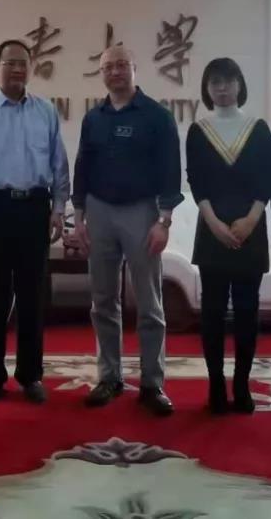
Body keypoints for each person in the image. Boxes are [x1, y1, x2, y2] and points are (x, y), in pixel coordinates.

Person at [72, 45, 182, 416]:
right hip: (99, 211)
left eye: (122, 65)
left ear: (134, 69)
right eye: (108, 67)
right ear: (102, 73)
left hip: (142, 212)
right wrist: (79, 216)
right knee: (103, 300)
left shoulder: (156, 116)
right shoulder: (94, 118)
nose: (115, 72)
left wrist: (164, 221)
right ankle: (109, 377)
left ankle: (152, 383)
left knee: (149, 302)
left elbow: (170, 169)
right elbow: (82, 166)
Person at [0, 39, 70, 405]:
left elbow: (59, 165)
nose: (18, 69)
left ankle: (30, 375)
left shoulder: (45, 111)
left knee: (33, 296)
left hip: (34, 208)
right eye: (10, 63)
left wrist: (58, 209)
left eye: (23, 62)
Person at [185, 58, 271, 415]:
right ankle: (216, 385)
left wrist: (251, 220)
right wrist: (214, 223)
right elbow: (197, 182)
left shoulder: (259, 128)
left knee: (248, 312)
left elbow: (267, 179)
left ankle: (242, 384)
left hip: (251, 228)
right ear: (207, 88)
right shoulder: (198, 130)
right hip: (212, 230)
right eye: (215, 82)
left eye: (228, 81)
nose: (222, 88)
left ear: (240, 84)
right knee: (212, 312)